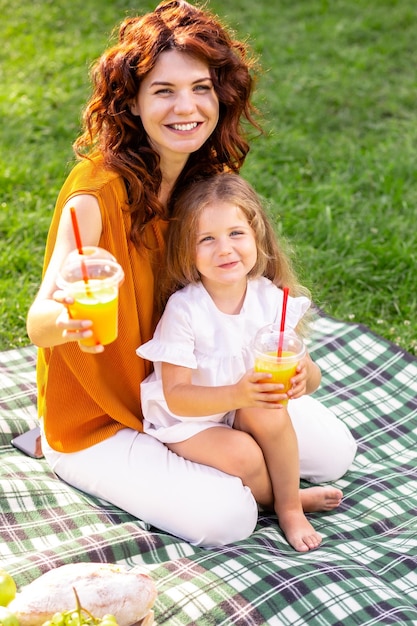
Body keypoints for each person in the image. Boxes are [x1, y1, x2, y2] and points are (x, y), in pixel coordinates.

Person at [26, 0, 357, 548]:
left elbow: (244, 296)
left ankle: (264, 484)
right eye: (163, 90)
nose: (188, 107)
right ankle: (267, 495)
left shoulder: (206, 181)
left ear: (220, 94)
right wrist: (71, 322)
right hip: (103, 419)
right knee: (226, 520)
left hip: (198, 389)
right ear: (130, 103)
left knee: (334, 454)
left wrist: (292, 369)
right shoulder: (94, 196)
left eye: (201, 88)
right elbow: (40, 321)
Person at [137, 172, 345, 552]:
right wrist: (237, 392)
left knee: (272, 412)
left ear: (256, 238)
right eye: (207, 239)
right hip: (190, 419)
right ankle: (285, 500)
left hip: (241, 404)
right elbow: (177, 397)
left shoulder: (272, 301)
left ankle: (289, 507)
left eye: (236, 234)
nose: (224, 249)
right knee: (244, 454)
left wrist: (304, 377)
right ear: (187, 249)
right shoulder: (185, 310)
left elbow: (311, 376)